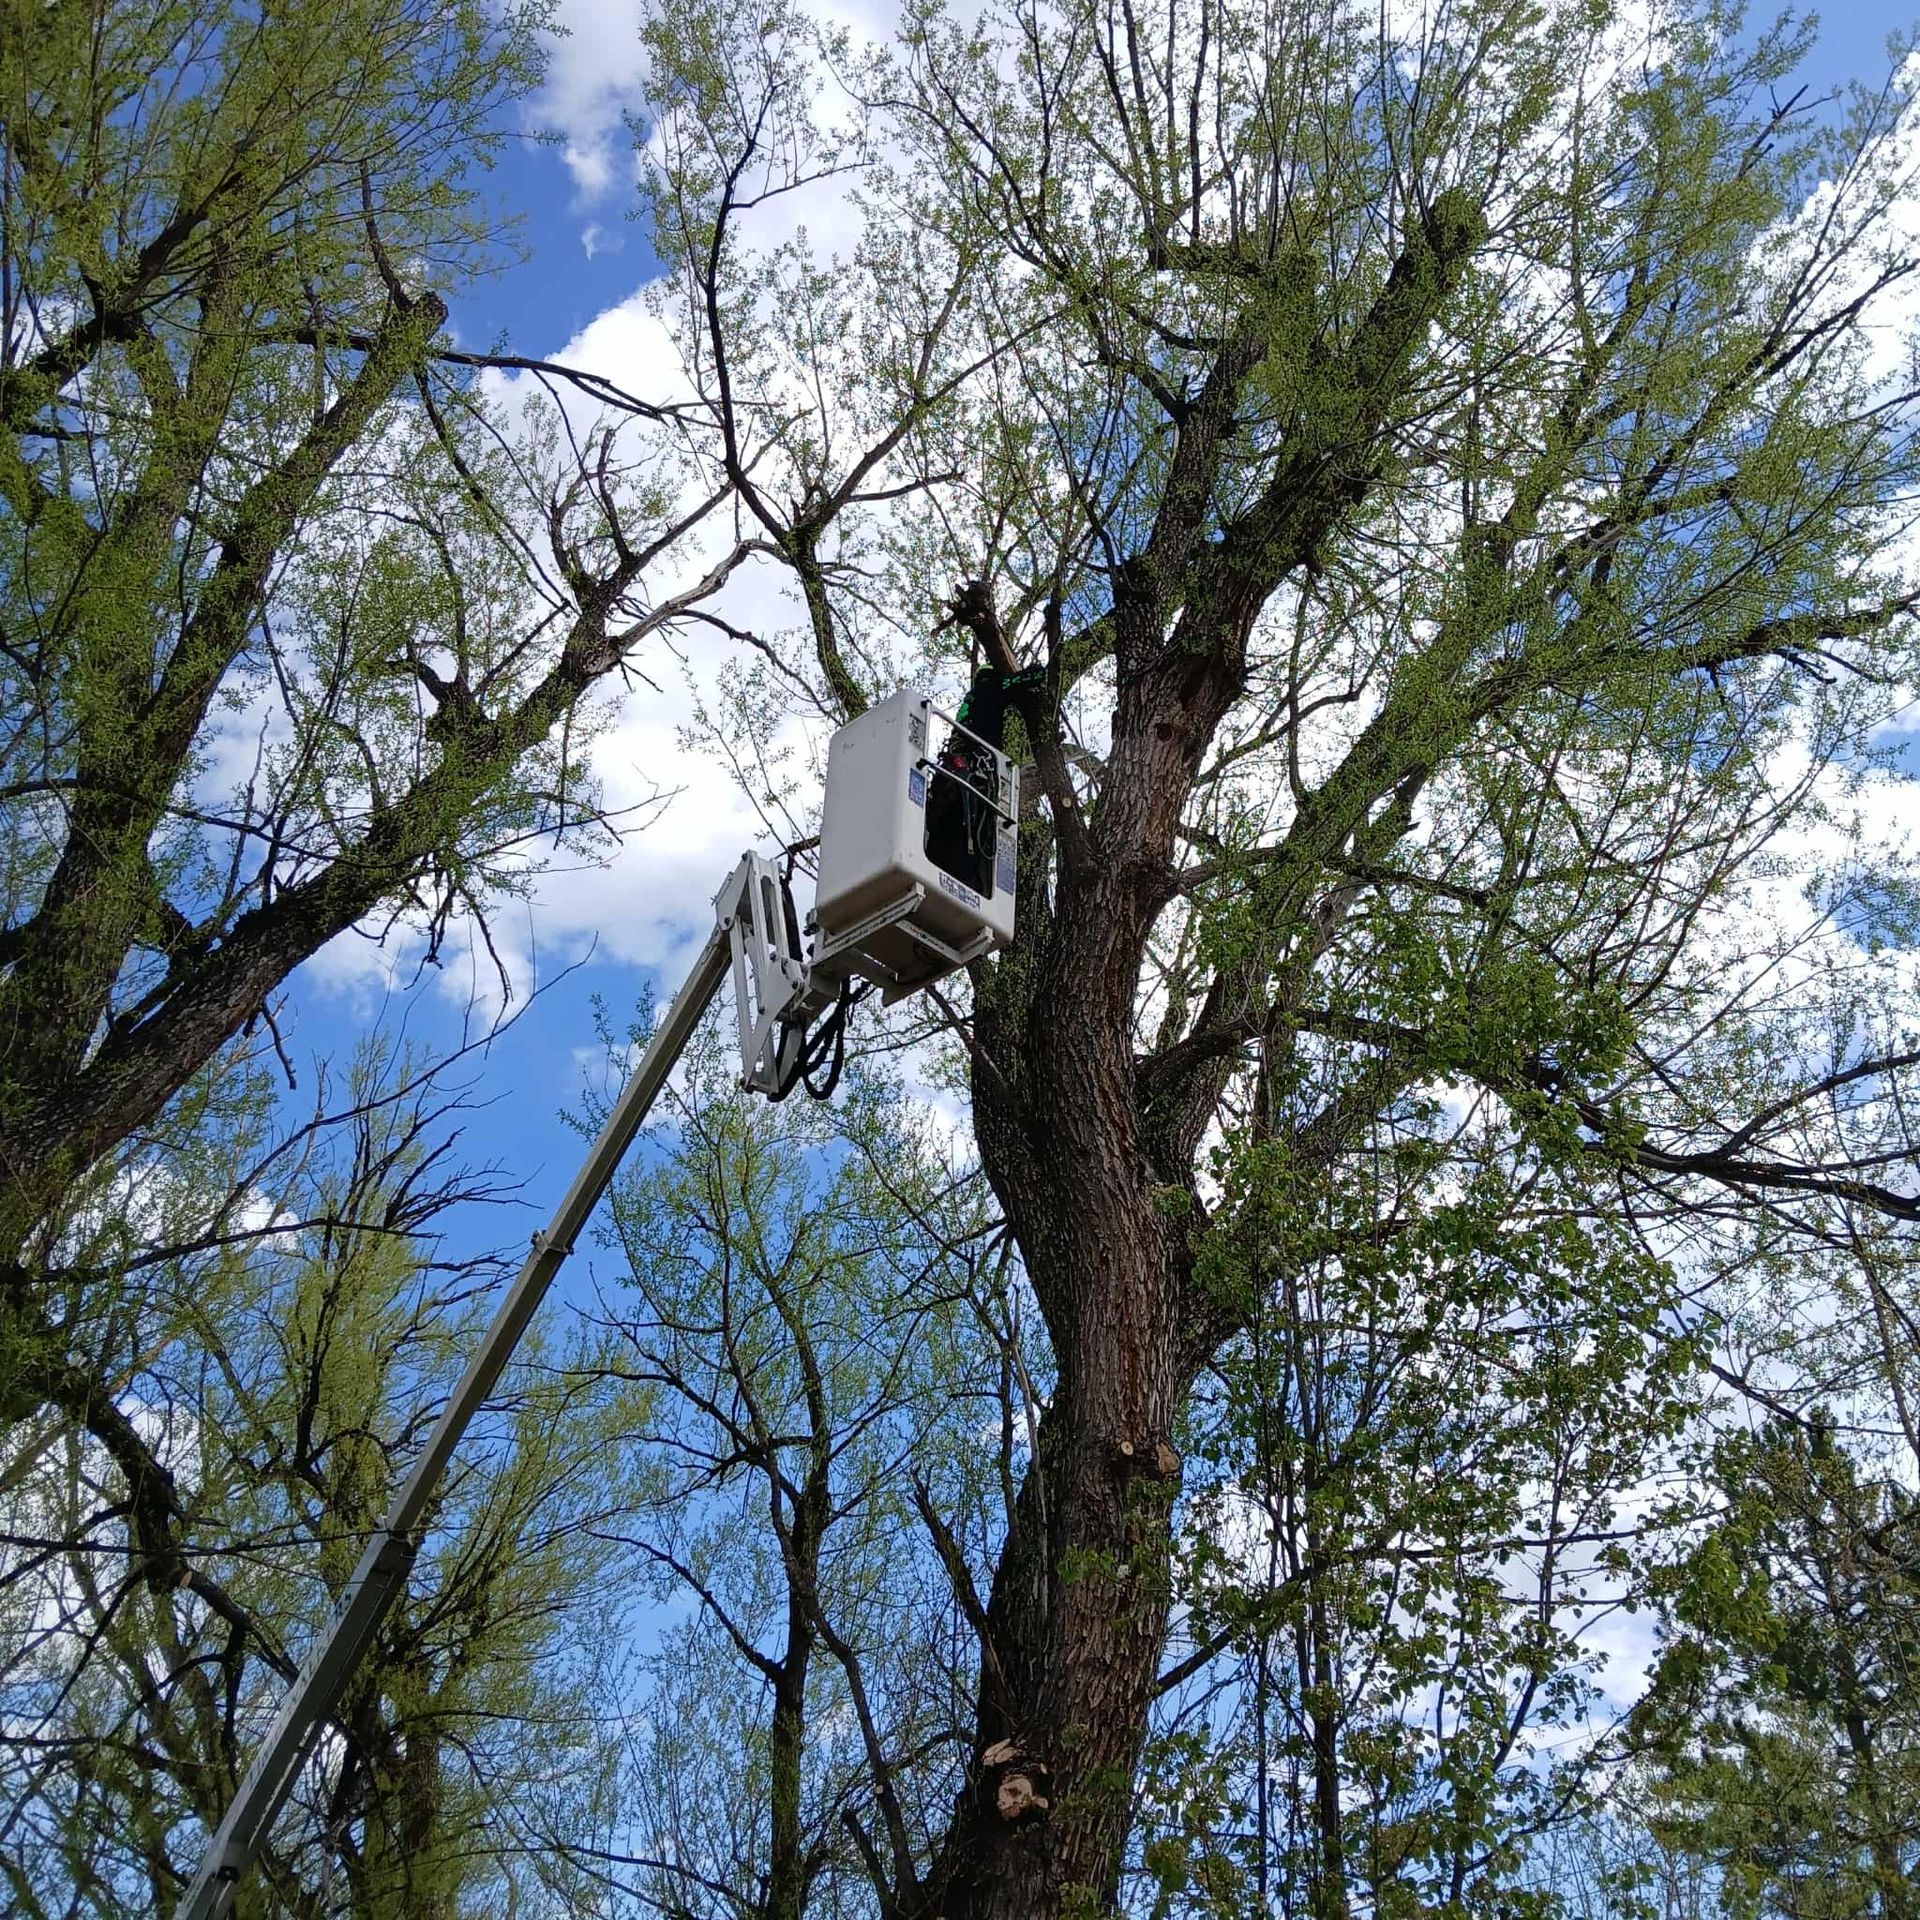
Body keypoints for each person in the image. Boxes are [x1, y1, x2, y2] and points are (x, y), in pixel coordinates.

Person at [924, 663, 1044, 896]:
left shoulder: (970, 702)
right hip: (977, 770)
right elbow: (1033, 677)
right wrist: (1034, 670)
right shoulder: (992, 688)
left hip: (953, 773)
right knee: (979, 826)